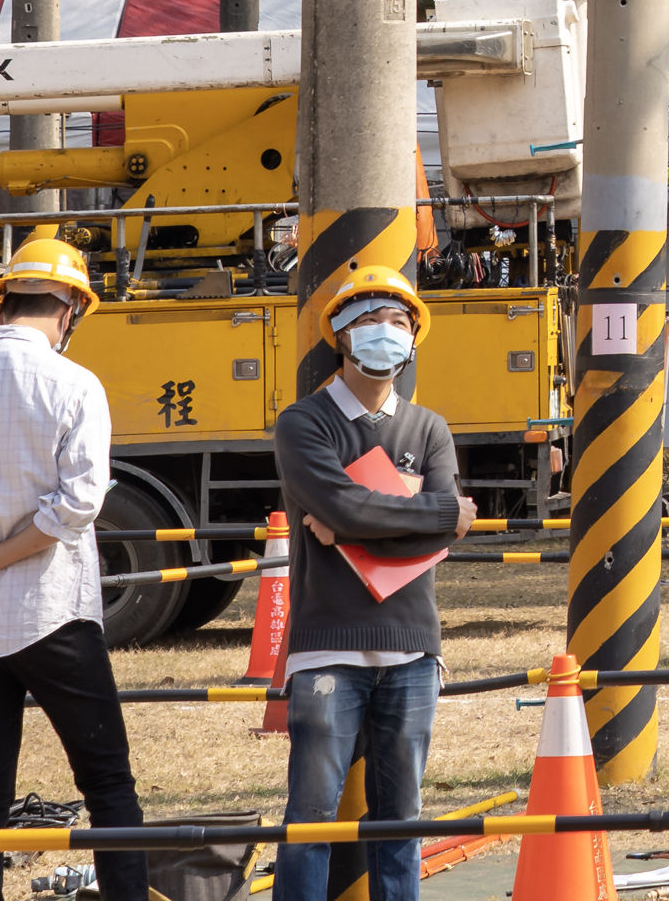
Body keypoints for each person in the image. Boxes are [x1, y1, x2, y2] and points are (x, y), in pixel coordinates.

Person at [272, 268, 482, 901]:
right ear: (338, 334)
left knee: (402, 821)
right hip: (327, 649)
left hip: (414, 648)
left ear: (415, 338)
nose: (384, 334)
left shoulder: (429, 428)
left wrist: (358, 523)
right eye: (367, 321)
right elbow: (363, 509)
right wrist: (434, 513)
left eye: (398, 322)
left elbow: (399, 525)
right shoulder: (303, 424)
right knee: (309, 820)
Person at [0, 239, 144, 901]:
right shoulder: (74, 384)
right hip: (50, 612)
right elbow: (79, 506)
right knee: (107, 782)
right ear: (69, 309)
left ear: (3, 299)